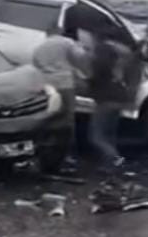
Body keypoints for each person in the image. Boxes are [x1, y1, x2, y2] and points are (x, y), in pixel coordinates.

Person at [32, 21, 89, 165]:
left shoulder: (39, 47)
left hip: (48, 86)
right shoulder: (67, 43)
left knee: (49, 118)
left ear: (47, 33)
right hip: (65, 84)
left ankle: (45, 152)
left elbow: (36, 65)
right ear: (60, 31)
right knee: (67, 119)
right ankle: (66, 154)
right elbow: (81, 58)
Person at [88, 29, 132, 172]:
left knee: (96, 136)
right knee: (109, 135)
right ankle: (110, 166)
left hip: (107, 99)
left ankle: (116, 159)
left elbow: (98, 72)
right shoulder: (118, 55)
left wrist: (88, 80)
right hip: (119, 97)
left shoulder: (102, 50)